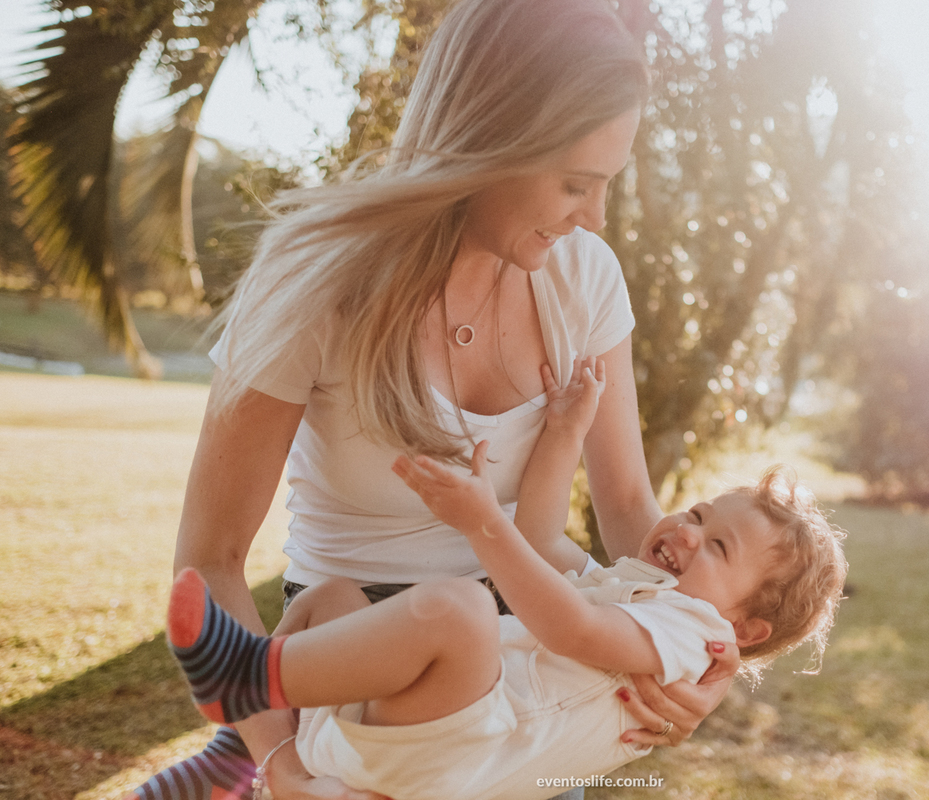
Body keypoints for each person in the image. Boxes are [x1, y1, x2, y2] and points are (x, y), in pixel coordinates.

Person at [130, 1, 740, 799]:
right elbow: (210, 557)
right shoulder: (313, 280)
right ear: (489, 142)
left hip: (527, 650)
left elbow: (627, 507)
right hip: (349, 642)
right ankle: (255, 747)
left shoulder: (584, 277)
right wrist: (282, 766)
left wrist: (695, 654)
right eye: (575, 185)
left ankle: (235, 756)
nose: (593, 218)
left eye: (605, 187)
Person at [162, 357, 847, 800]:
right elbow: (542, 537)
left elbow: (572, 628)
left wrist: (483, 523)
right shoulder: (634, 587)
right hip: (412, 731)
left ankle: (244, 676)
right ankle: (254, 738)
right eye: (697, 513)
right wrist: (565, 432)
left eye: (718, 546)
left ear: (743, 628)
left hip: (460, 750)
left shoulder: (693, 636)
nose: (688, 531)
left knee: (462, 611)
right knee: (333, 596)